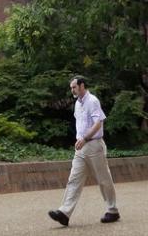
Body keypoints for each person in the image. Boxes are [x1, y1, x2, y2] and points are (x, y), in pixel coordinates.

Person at [48, 77, 119, 227]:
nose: (72, 90)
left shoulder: (92, 101)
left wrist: (85, 138)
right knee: (74, 179)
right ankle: (64, 213)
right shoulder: (77, 104)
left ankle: (112, 211)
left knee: (103, 179)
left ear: (82, 86)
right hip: (81, 148)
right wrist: (80, 140)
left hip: (94, 145)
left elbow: (98, 123)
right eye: (71, 88)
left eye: (74, 87)